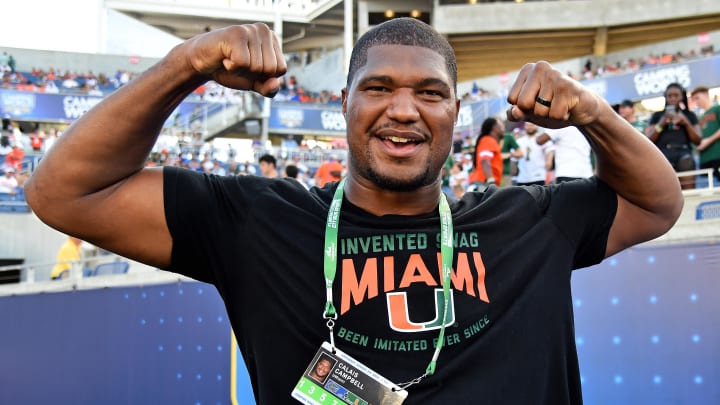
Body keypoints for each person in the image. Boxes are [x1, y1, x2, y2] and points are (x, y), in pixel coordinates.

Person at [24, 18, 683, 404]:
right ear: (343, 104)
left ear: (455, 113)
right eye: (378, 88)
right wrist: (184, 64)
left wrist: (593, 111)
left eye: (430, 92)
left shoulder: (528, 220)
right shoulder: (256, 220)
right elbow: (63, 192)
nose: (403, 110)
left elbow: (657, 201)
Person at [645, 82, 701, 189]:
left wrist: (685, 122)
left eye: (676, 95)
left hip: (684, 153)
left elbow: (698, 140)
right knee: (666, 190)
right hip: (664, 154)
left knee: (687, 162)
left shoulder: (690, 115)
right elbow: (648, 140)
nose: (672, 99)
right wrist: (662, 123)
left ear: (682, 96)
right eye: (669, 96)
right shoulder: (657, 116)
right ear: (665, 97)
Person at [690, 86, 720, 185]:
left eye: (697, 98)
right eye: (694, 99)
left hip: (717, 156)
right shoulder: (699, 118)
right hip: (704, 160)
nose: (696, 101)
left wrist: (708, 141)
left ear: (706, 95)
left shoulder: (717, 109)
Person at [514, 122, 554, 186]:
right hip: (522, 178)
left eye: (532, 125)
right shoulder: (519, 141)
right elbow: (514, 158)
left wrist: (549, 161)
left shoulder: (541, 139)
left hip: (539, 177)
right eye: (528, 125)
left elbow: (550, 150)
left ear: (537, 126)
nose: (530, 127)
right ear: (524, 126)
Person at [468, 118, 504, 187]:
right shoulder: (488, 140)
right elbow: (484, 161)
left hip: (483, 182)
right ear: (494, 128)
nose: (503, 129)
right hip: (484, 183)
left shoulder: (488, 140)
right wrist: (491, 182)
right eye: (501, 126)